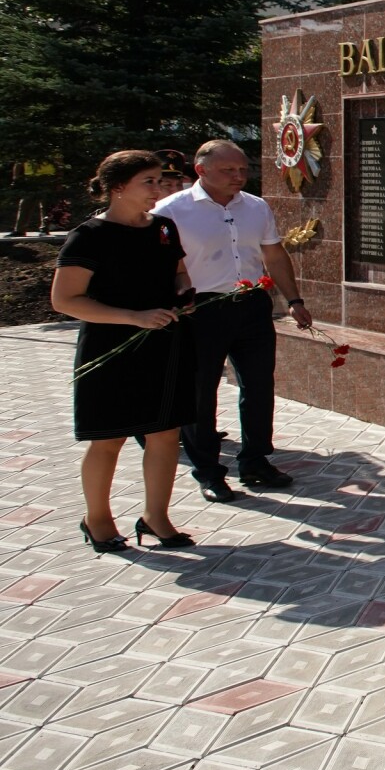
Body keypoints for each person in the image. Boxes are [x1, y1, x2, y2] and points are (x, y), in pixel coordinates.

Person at [50, 151, 198, 552]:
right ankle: (96, 519)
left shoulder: (164, 228)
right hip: (111, 347)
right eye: (148, 181)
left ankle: (156, 517)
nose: (160, 188)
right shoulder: (90, 236)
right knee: (109, 438)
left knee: (165, 434)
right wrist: (133, 316)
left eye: (160, 180)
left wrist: (184, 291)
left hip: (164, 342)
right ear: (117, 188)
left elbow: (178, 271)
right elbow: (65, 300)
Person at [156, 139, 313, 502]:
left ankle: (256, 460)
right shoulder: (171, 210)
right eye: (228, 170)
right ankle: (209, 472)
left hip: (252, 305)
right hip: (200, 310)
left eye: (243, 170)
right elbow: (161, 266)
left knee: (258, 385)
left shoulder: (255, 207)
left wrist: (294, 300)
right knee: (200, 392)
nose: (238, 176)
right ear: (201, 170)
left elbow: (273, 255)